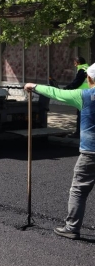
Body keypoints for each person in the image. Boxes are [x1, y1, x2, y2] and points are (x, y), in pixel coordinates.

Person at [25, 63, 95, 240]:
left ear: (89, 79)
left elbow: (57, 94)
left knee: (79, 189)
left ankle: (72, 227)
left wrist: (34, 86)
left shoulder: (84, 95)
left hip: (91, 153)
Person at [63, 56, 89, 138]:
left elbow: (76, 82)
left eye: (75, 63)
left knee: (80, 115)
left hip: (83, 95)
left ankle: (78, 133)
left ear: (78, 63)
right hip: (90, 94)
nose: (74, 65)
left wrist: (66, 88)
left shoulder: (82, 70)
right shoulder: (88, 68)